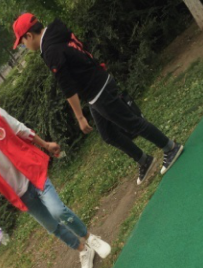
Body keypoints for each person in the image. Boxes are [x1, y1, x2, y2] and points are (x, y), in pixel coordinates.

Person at [0, 98, 112, 268]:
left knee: (57, 211)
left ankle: (90, 237)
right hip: (20, 194)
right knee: (51, 226)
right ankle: (83, 249)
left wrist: (45, 145)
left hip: (33, 174)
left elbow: (21, 130)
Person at [12, 13, 184, 185]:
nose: (24, 46)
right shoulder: (55, 34)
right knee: (108, 134)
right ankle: (144, 160)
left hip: (98, 90)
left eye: (22, 42)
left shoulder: (50, 50)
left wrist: (80, 117)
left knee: (132, 123)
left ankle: (170, 147)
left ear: (29, 36)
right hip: (96, 89)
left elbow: (67, 86)